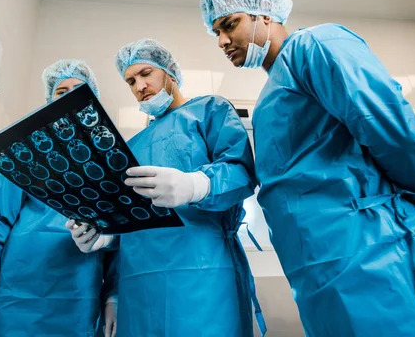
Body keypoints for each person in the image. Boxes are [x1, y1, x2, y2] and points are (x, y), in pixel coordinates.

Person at [199, 0, 415, 336]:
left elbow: (390, 126)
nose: (222, 41)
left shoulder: (314, 46)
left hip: (375, 258)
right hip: (318, 269)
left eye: (229, 24)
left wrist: (414, 206)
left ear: (265, 14)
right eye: (215, 33)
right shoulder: (271, 97)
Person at [67, 39, 266, 337]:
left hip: (201, 271)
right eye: (131, 81)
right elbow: (127, 214)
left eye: (146, 73)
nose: (139, 86)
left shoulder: (208, 110)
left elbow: (241, 172)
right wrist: (105, 238)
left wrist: (195, 185)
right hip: (138, 283)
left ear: (169, 72)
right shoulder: (130, 147)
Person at [0, 59, 118, 337]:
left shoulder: (107, 160)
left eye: (79, 91)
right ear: (49, 100)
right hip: (14, 300)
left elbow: (120, 238)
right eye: (61, 92)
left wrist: (113, 298)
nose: (69, 98)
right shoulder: (24, 152)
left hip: (78, 302)